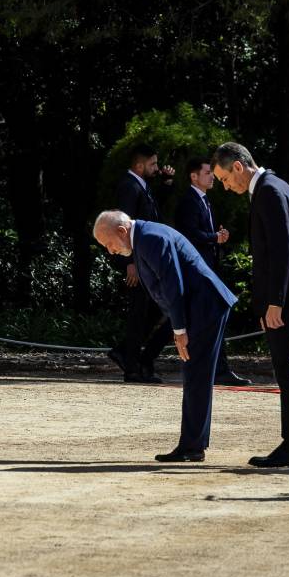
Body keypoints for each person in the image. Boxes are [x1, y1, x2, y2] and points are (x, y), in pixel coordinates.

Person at [93, 211, 236, 461]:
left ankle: (192, 447)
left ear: (122, 231)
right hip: (201, 306)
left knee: (195, 374)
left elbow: (173, 284)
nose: (110, 251)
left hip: (204, 307)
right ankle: (193, 444)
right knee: (195, 374)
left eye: (108, 244)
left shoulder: (150, 238)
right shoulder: (144, 237)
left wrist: (179, 330)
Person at [212, 142, 289, 468]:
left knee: (288, 369)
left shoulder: (269, 190)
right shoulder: (275, 186)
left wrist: (275, 303)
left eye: (226, 179)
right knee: (286, 369)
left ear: (238, 167)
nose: (227, 187)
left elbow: (282, 251)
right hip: (287, 294)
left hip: (286, 297)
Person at [173, 156, 249, 387]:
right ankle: (216, 369)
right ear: (193, 176)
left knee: (211, 317)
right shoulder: (189, 201)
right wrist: (214, 237)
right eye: (207, 173)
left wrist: (217, 238)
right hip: (198, 271)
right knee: (208, 317)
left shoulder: (204, 200)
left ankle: (217, 368)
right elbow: (188, 235)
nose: (212, 177)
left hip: (208, 268)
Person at [109, 143, 175, 383]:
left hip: (144, 259)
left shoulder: (142, 185)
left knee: (151, 310)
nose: (156, 168)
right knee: (140, 312)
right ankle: (132, 367)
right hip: (136, 260)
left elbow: (151, 215)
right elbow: (123, 225)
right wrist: (129, 261)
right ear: (139, 165)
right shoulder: (129, 186)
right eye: (153, 164)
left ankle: (126, 353)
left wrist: (166, 184)